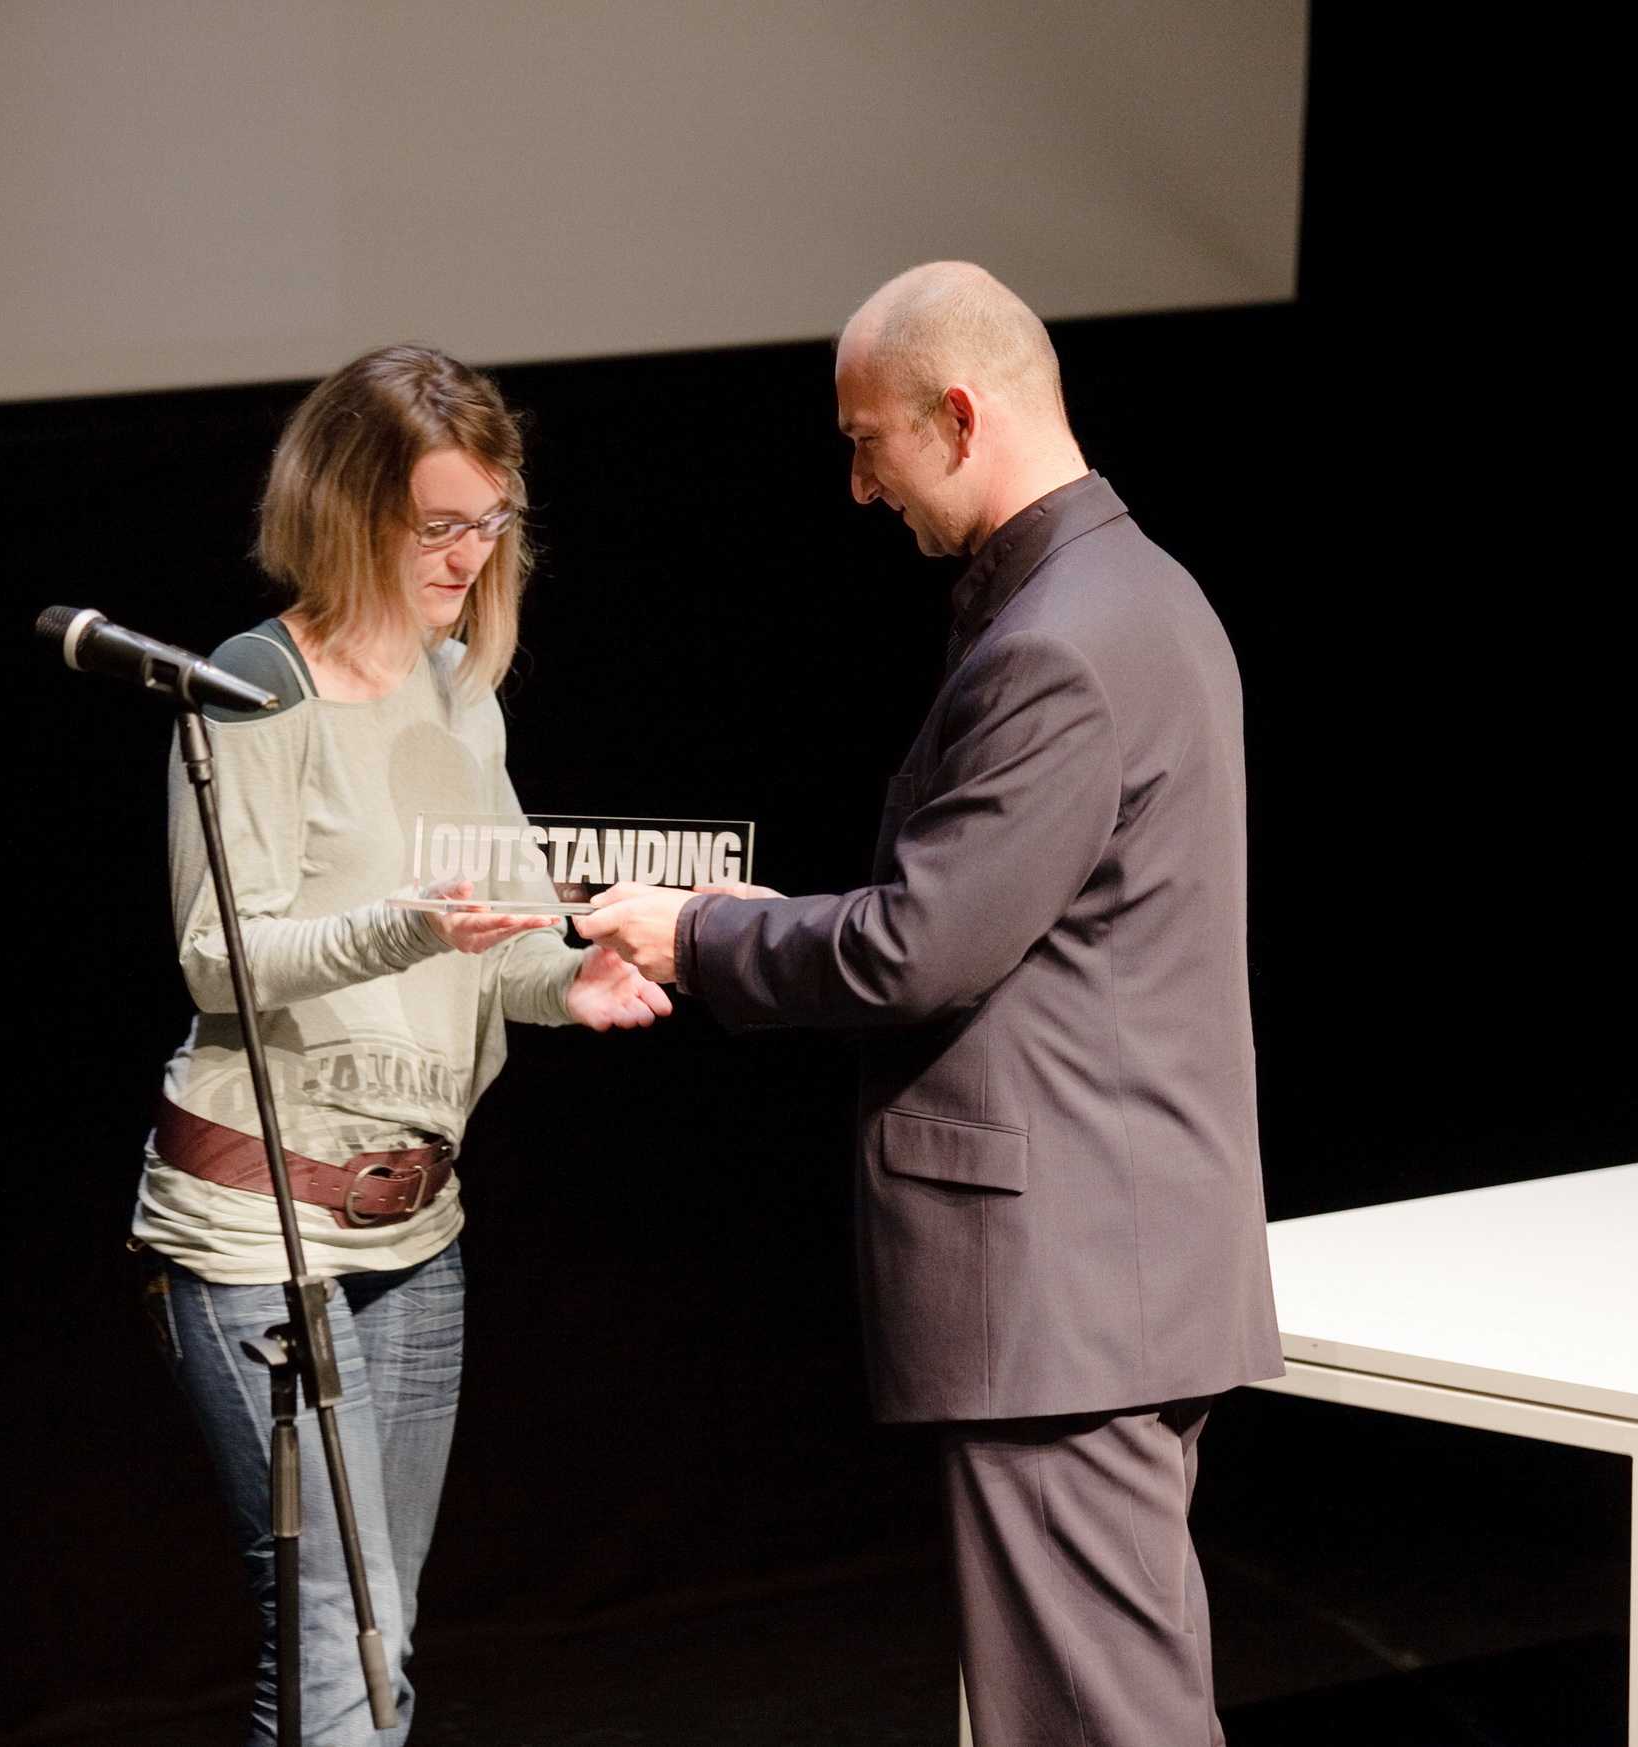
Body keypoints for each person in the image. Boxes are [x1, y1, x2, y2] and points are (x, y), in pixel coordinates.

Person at [577, 263, 1280, 1745]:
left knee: (1099, 1724)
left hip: (1071, 1289)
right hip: (1110, 1278)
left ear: (957, 416)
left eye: (868, 442)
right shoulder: (1133, 595)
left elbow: (918, 950)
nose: (857, 485)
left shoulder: (1060, 640)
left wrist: (699, 936)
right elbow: (999, 919)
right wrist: (766, 924)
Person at [133, 344, 670, 1746]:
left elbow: (497, 939)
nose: (469, 557)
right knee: (336, 1626)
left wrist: (572, 982)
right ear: (349, 511)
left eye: (490, 522)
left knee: (378, 1642)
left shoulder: (456, 689)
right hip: (260, 1226)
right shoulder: (251, 687)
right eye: (438, 526)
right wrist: (405, 925)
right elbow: (217, 955)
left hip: (415, 1230)